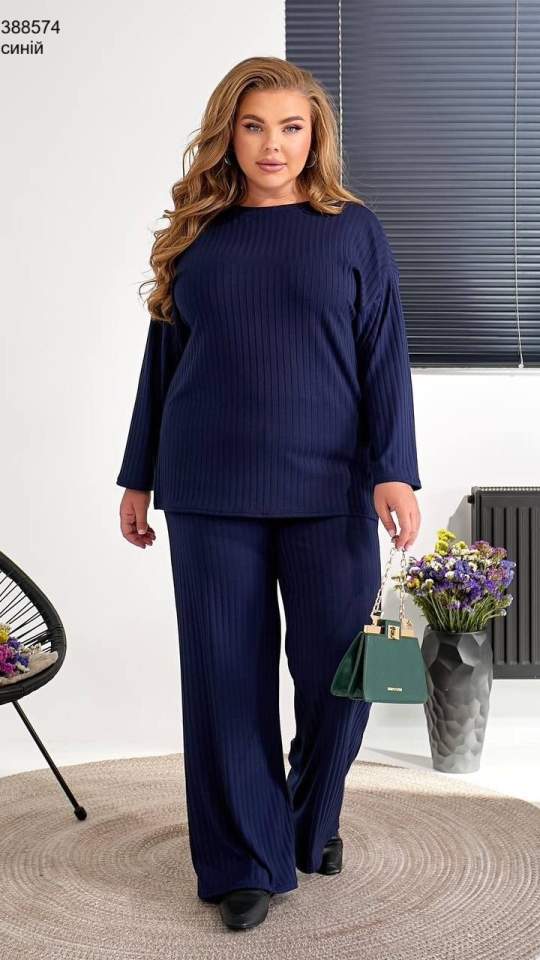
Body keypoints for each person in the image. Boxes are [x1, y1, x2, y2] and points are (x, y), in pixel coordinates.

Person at [116, 55, 422, 932]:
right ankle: (243, 862)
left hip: (331, 484)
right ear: (229, 134)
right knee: (225, 677)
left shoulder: (354, 231)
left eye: (291, 127)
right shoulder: (198, 232)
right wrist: (139, 474)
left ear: (315, 135)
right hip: (208, 483)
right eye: (254, 127)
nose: (272, 145)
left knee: (342, 673)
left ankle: (308, 818)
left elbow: (383, 355)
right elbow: (163, 362)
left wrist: (394, 467)